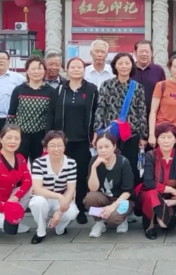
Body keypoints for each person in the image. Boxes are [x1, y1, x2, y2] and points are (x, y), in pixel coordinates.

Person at [47, 56, 99, 225]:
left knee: (82, 174)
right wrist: (49, 137)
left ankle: (80, 208)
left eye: (79, 67)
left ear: (84, 70)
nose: (76, 70)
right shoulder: (59, 90)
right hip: (62, 141)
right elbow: (51, 115)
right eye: (73, 67)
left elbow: (97, 113)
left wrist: (95, 133)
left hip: (83, 140)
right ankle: (62, 207)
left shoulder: (91, 89)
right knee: (63, 174)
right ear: (67, 70)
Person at [94, 52, 148, 185]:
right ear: (115, 66)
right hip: (111, 134)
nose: (124, 66)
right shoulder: (106, 85)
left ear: (132, 66)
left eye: (127, 63)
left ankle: (129, 193)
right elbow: (101, 109)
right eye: (120, 63)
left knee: (131, 165)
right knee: (110, 164)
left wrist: (143, 136)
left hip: (131, 134)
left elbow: (142, 112)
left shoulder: (138, 87)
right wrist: (97, 131)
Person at [28, 131, 79, 244]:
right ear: (46, 148)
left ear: (64, 146)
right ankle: (41, 231)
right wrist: (58, 196)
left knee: (72, 212)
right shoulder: (38, 163)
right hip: (44, 196)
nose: (56, 149)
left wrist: (59, 212)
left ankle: (59, 228)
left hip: (62, 197)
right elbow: (37, 189)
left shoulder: (71, 163)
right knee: (37, 202)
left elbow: (71, 189)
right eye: (52, 145)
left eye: (60, 145)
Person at [136, 123, 176, 240]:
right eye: (162, 137)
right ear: (157, 139)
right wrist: (171, 189)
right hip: (149, 194)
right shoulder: (150, 155)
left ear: (175, 140)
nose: (166, 141)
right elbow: (149, 183)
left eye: (169, 137)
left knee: (165, 224)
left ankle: (160, 216)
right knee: (152, 194)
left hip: (170, 198)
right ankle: (149, 226)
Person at [84, 133, 135, 237]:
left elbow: (128, 191)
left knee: (113, 219)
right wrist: (94, 168)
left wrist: (113, 206)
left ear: (114, 146)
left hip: (122, 200)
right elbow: (93, 188)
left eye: (107, 146)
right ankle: (99, 223)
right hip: (104, 198)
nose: (103, 150)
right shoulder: (94, 160)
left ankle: (123, 219)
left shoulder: (123, 162)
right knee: (90, 197)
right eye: (100, 147)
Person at [8, 56, 57, 164]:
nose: (36, 72)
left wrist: (48, 137)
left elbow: (51, 116)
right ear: (27, 71)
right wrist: (10, 135)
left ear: (44, 71)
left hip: (40, 136)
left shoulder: (51, 92)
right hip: (20, 135)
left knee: (39, 166)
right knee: (18, 164)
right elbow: (11, 114)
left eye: (39, 68)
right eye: (33, 69)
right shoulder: (19, 90)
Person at [149, 55, 176, 152]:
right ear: (169, 68)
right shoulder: (161, 85)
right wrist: (151, 135)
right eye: (175, 67)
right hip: (163, 132)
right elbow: (153, 112)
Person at [131, 39, 167, 116]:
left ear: (151, 53)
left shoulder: (158, 70)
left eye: (147, 51)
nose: (144, 54)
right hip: (132, 114)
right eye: (141, 51)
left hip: (154, 114)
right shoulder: (129, 69)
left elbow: (164, 92)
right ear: (135, 53)